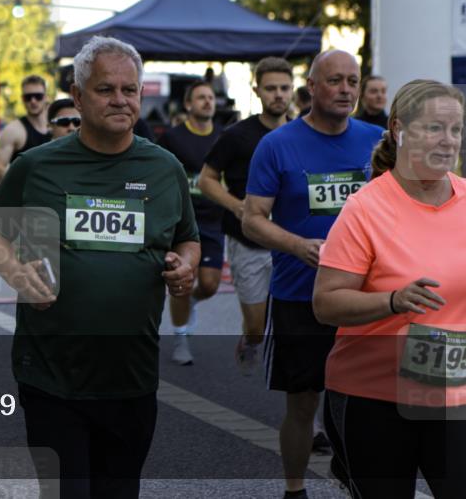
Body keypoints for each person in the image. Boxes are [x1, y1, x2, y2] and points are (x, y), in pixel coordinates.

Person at [0, 35, 199, 497]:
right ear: (77, 96)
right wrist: (17, 273)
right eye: (105, 89)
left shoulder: (165, 169)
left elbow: (187, 238)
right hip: (51, 374)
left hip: (131, 375)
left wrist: (185, 268)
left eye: (130, 89)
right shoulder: (35, 166)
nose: (120, 99)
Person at [311, 79, 465, 499]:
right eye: (434, 128)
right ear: (400, 130)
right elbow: (325, 304)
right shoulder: (366, 208)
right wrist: (393, 301)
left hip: (452, 391)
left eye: (455, 130)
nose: (447, 140)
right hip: (373, 395)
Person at [242, 49, 383, 499]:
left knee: (365, 402)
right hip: (299, 295)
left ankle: (354, 477)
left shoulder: (379, 141)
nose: (345, 90)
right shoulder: (278, 145)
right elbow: (252, 219)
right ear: (312, 88)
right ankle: (294, 488)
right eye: (335, 81)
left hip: (365, 296)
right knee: (303, 403)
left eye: (353, 81)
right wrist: (298, 246)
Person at [199, 56, 293, 375]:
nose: (278, 94)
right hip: (247, 240)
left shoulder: (302, 133)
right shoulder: (237, 135)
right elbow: (206, 180)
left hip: (292, 242)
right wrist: (236, 205)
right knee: (256, 325)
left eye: (284, 88)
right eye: (271, 88)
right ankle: (249, 341)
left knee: (290, 320)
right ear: (257, 90)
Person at [157, 80, 224, 366]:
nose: (208, 102)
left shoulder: (224, 137)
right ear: (188, 105)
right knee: (182, 280)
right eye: (201, 98)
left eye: (211, 97)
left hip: (213, 220)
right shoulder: (172, 138)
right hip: (183, 221)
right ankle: (181, 337)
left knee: (208, 285)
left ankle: (190, 304)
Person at [0, 75, 50, 180]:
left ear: (46, 97)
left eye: (38, 96)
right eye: (28, 97)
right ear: (22, 99)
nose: (33, 101)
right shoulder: (13, 131)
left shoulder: (59, 125)